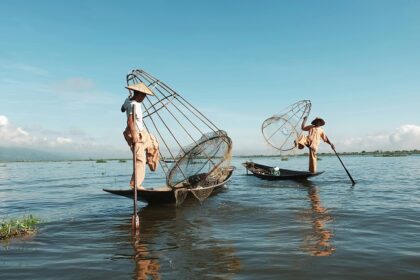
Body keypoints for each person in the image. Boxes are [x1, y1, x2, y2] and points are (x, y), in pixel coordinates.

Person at [122, 82, 159, 189]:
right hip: (135, 133)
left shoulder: (128, 100)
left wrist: (125, 108)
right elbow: (130, 122)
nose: (144, 98)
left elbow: (122, 108)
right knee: (140, 161)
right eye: (143, 96)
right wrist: (135, 138)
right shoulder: (134, 105)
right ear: (139, 94)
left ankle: (152, 163)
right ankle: (136, 185)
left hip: (142, 132)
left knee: (154, 143)